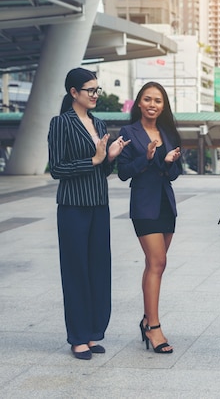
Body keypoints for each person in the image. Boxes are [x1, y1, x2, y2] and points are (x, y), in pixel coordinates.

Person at [48, 68, 129, 360]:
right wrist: (93, 159)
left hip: (98, 204)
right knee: (76, 271)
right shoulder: (61, 123)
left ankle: (95, 332)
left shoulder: (98, 122)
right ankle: (78, 337)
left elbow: (101, 170)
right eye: (90, 90)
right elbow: (57, 169)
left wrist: (108, 159)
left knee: (98, 268)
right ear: (73, 93)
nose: (95, 95)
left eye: (97, 89)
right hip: (73, 207)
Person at [117, 82, 182, 354]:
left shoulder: (168, 132)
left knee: (155, 265)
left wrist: (167, 162)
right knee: (157, 261)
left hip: (165, 203)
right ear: (139, 103)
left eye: (158, 100)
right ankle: (154, 327)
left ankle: (146, 320)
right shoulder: (128, 132)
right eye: (147, 99)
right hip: (144, 205)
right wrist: (147, 157)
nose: (152, 104)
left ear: (163, 105)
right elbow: (123, 172)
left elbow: (176, 173)